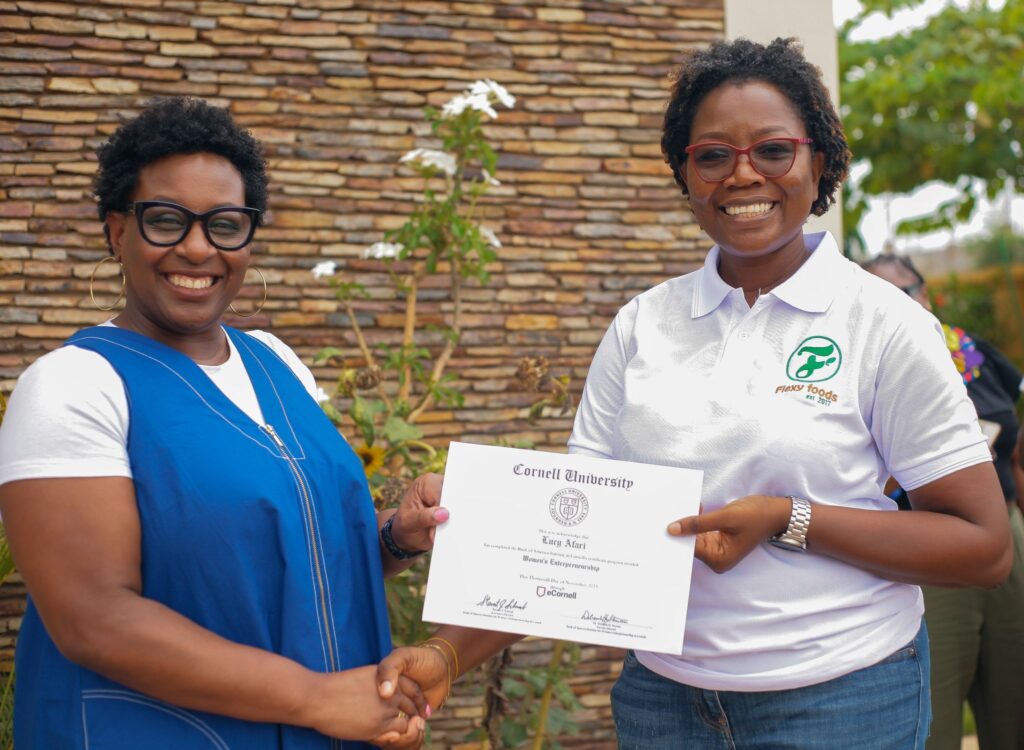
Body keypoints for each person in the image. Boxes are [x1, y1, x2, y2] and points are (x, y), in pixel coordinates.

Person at [376, 36, 1014, 750]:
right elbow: (573, 536)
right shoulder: (643, 325)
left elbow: (982, 546)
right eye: (713, 155)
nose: (743, 176)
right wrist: (446, 654)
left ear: (820, 162)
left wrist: (785, 517)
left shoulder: (885, 324)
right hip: (665, 702)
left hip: (842, 699)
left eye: (773, 150)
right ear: (687, 175)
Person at [0, 96, 450, 749]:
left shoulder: (278, 364)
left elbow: (277, 562)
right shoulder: (75, 385)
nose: (196, 247)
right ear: (116, 231)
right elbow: (94, 619)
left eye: (224, 224)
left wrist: (397, 536)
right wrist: (317, 697)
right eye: (165, 220)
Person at [865, 254, 1024, 750]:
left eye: (903, 292)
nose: (893, 306)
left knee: (1014, 695)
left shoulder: (970, 350)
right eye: (878, 297)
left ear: (925, 294)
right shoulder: (865, 358)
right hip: (923, 542)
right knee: (936, 710)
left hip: (1006, 527)